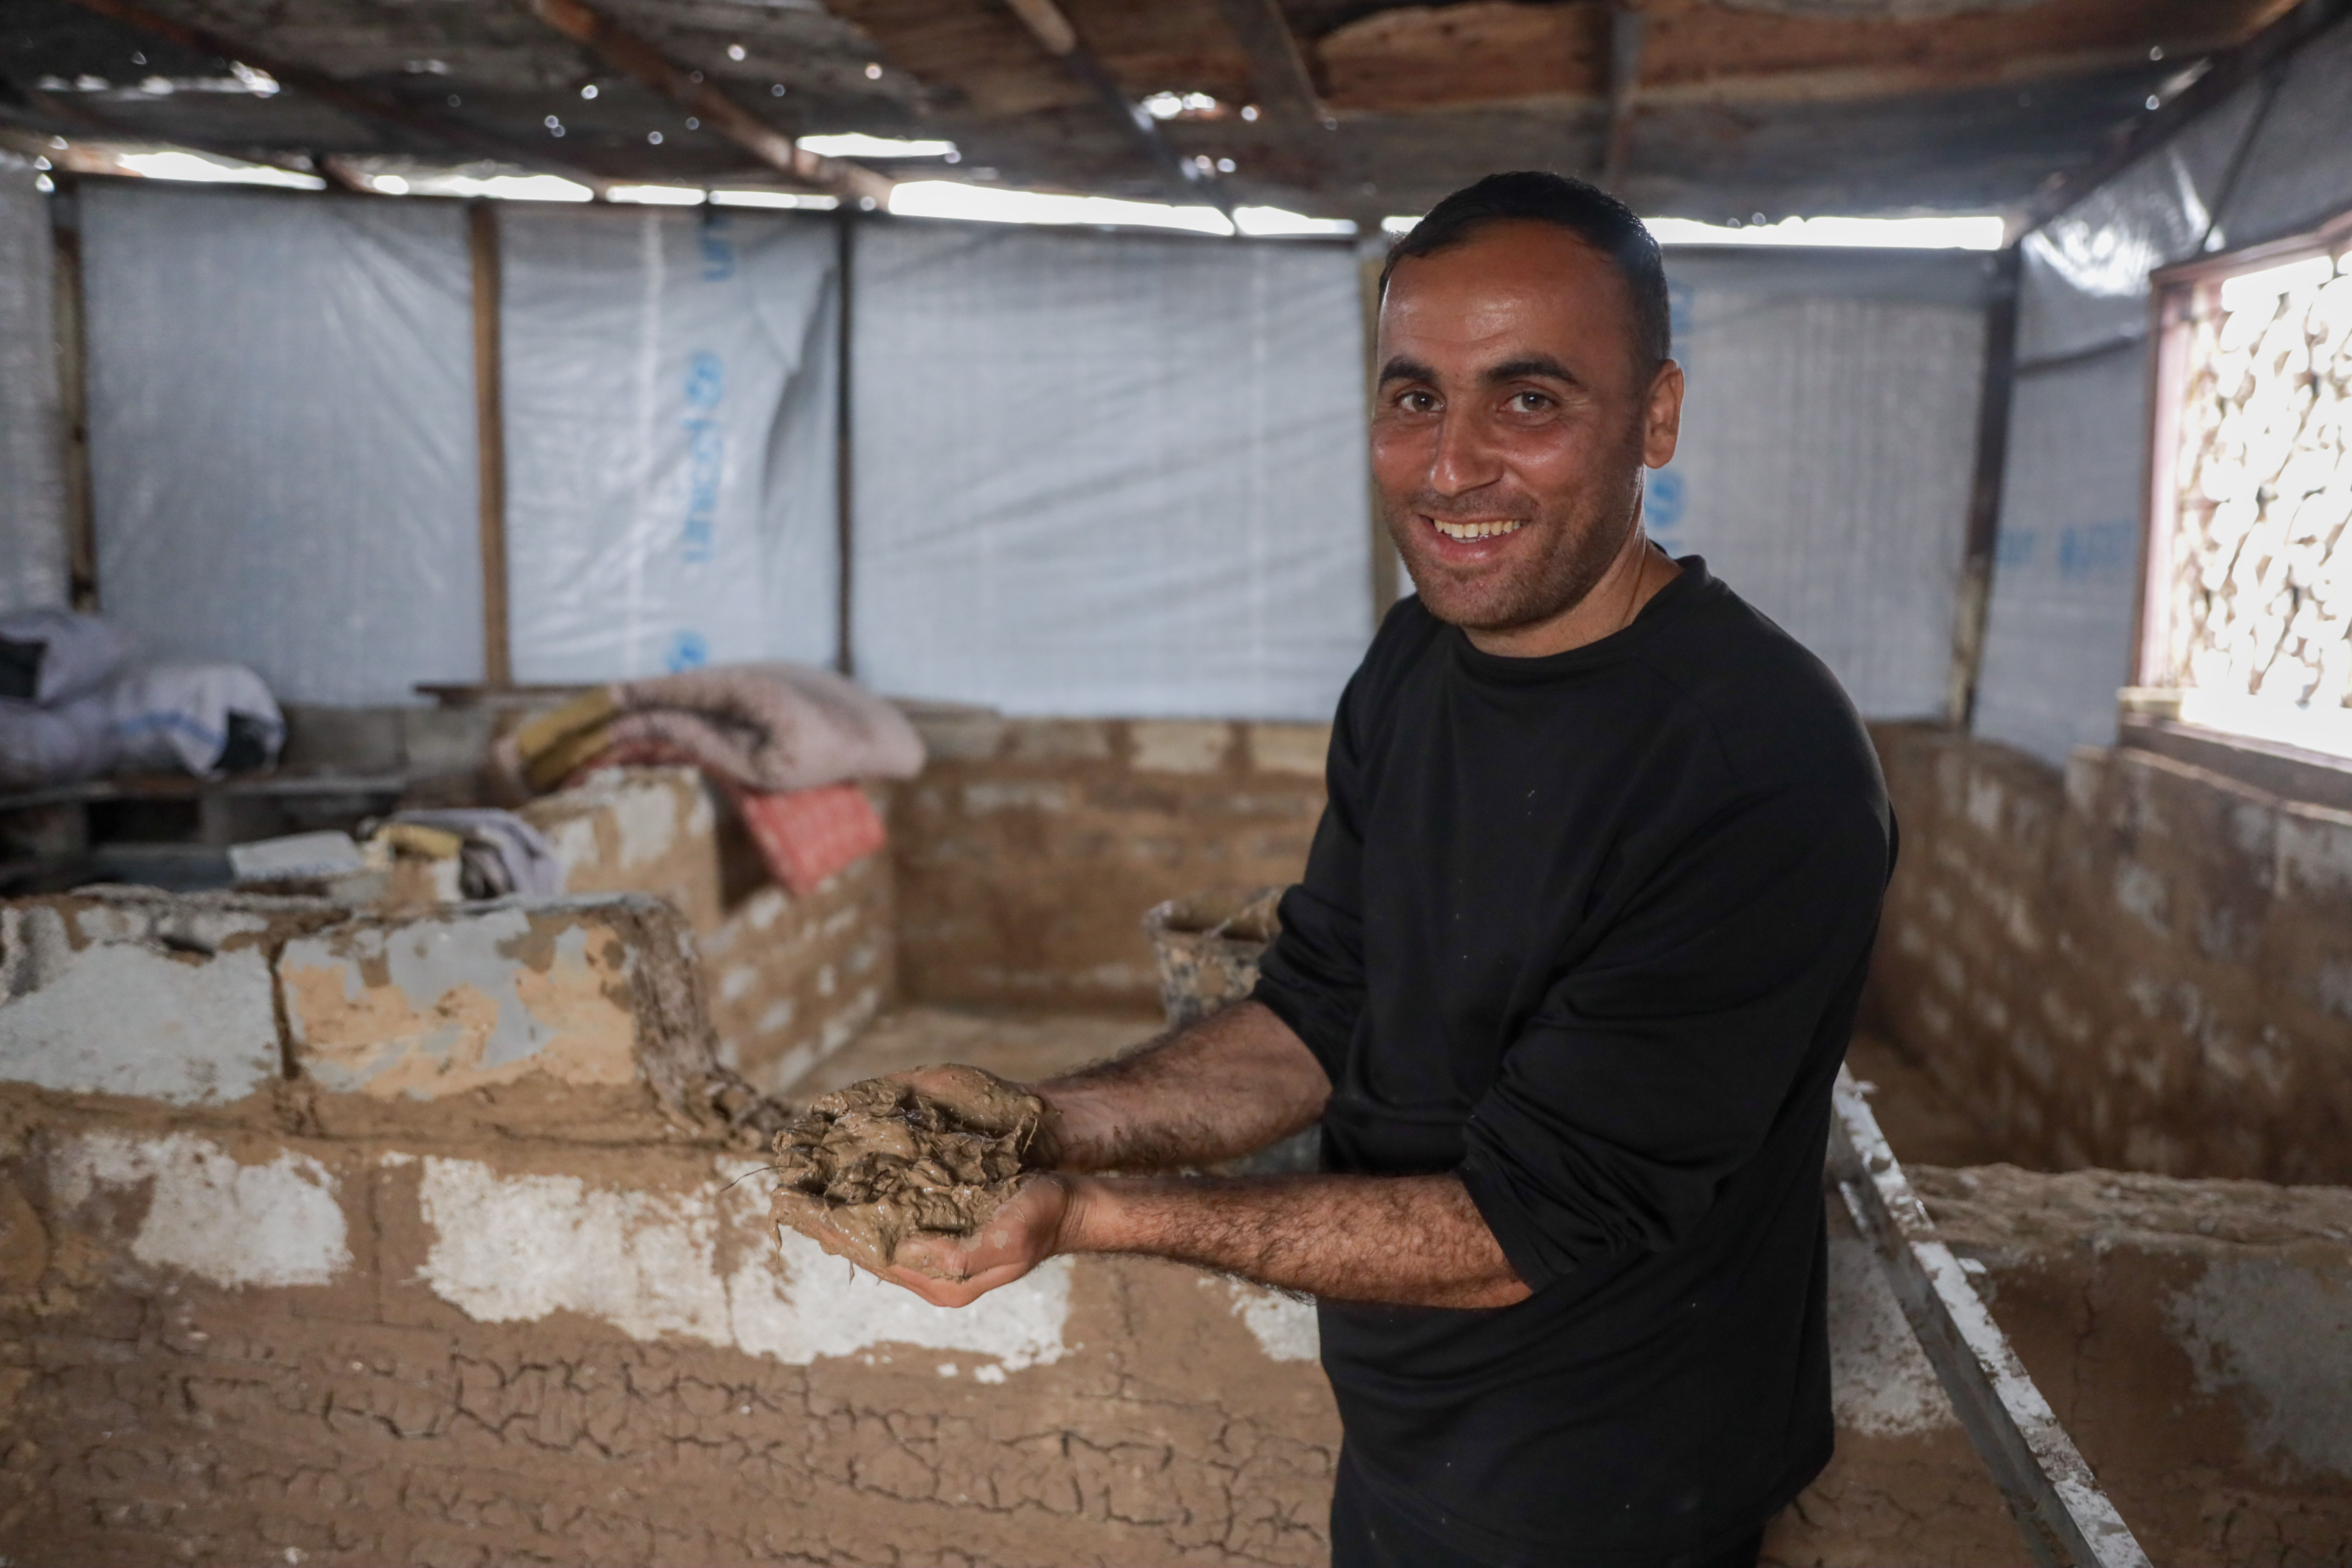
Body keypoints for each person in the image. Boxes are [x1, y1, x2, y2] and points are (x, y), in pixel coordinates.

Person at [814, 171, 1896, 1568]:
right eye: (1413, 398)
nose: (1451, 468)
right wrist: (1029, 1119)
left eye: (1530, 399)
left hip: (1613, 1496)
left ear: (1657, 417)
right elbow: (1321, 1009)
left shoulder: (1758, 765)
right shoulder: (1414, 664)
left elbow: (1527, 1227)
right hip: (1407, 1439)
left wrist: (1089, 1213)